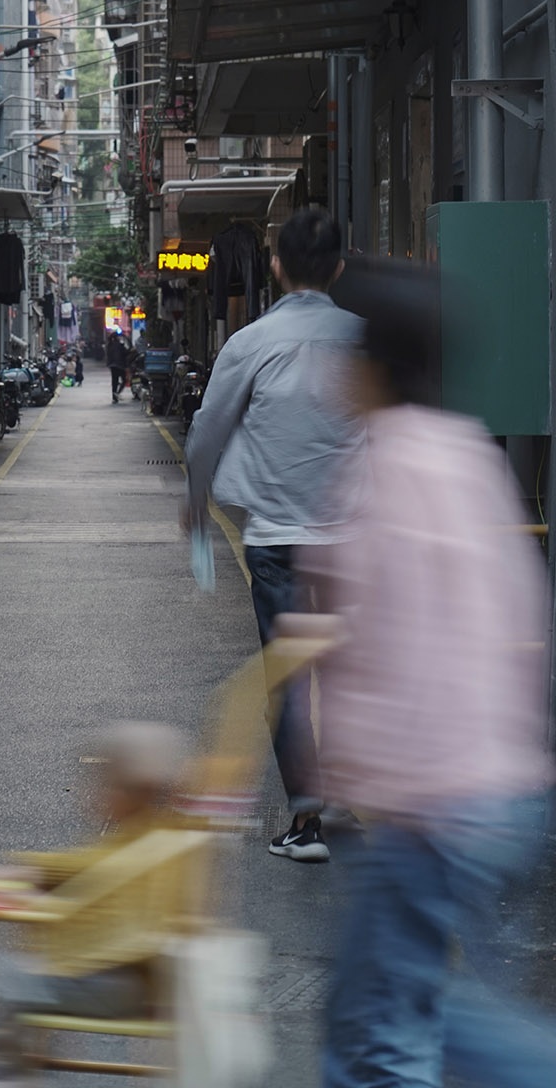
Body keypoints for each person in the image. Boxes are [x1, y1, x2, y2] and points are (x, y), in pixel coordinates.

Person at [288, 261, 556, 1086]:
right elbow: (513, 620)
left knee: (379, 1042)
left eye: (346, 351)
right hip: (501, 788)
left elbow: (390, 642)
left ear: (375, 364)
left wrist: (348, 776)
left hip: (431, 803)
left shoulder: (380, 471)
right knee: (419, 1015)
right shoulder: (467, 452)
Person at [183, 207, 364, 862]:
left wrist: (196, 498)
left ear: (278, 267)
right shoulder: (364, 339)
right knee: (345, 667)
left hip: (276, 537)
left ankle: (306, 820)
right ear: (339, 267)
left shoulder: (251, 342)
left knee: (288, 674)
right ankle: (342, 792)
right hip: (350, 538)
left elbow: (208, 429)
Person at [0, 722, 191, 1086]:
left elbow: (95, 874)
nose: (92, 793)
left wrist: (27, 880)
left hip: (119, 985)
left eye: (102, 784)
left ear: (128, 793)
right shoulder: (156, 835)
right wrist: (30, 868)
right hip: (139, 981)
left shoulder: (142, 850)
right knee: (22, 976)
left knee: (14, 975)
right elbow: (88, 865)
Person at [105, 330, 128, 404]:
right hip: (119, 365)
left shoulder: (109, 345)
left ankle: (114, 397)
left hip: (112, 365)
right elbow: (125, 353)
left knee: (114, 381)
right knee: (124, 380)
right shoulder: (120, 345)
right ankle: (117, 393)